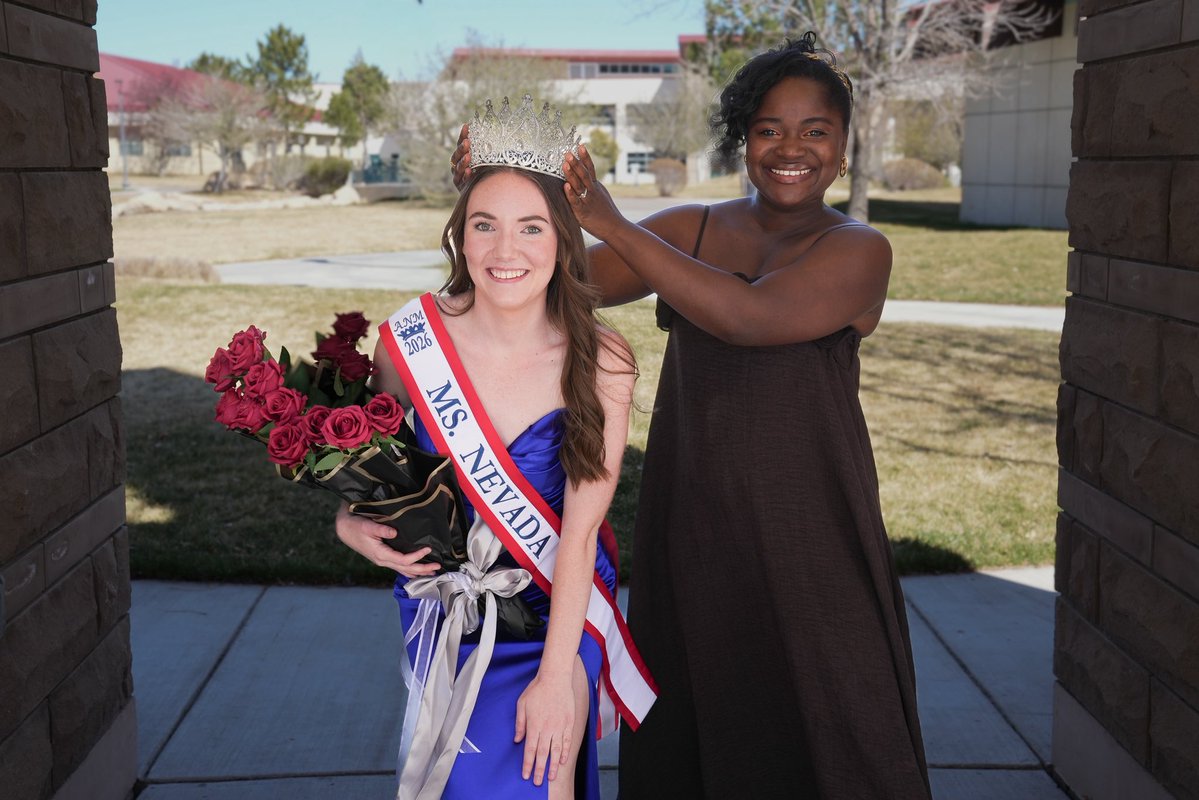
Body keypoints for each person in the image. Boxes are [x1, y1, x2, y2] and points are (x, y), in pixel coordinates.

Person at [453, 33, 931, 799]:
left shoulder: (858, 248)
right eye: (769, 129)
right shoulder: (694, 229)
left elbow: (747, 316)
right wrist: (501, 201)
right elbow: (547, 288)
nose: (791, 148)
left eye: (815, 131)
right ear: (744, 139)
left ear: (845, 147)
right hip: (695, 513)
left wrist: (613, 223)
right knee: (698, 701)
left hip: (809, 522)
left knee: (834, 704)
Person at [335, 99, 654, 800]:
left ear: (563, 239)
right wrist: (348, 521)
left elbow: (579, 536)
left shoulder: (602, 360)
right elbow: (382, 477)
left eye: (531, 227)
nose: (505, 251)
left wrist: (556, 677)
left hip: (554, 616)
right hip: (445, 612)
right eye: (485, 224)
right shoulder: (408, 343)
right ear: (460, 234)